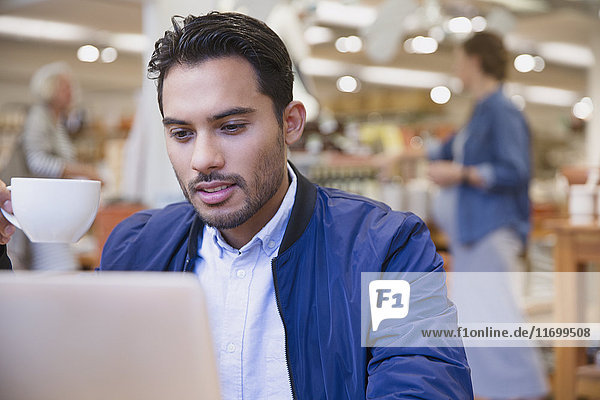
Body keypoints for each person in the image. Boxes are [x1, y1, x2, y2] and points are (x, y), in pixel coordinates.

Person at [99, 12, 473, 399]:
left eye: (231, 127)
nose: (202, 159)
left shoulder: (387, 249)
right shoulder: (135, 248)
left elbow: (425, 384)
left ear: (290, 124)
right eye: (181, 133)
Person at [427, 32, 549, 399]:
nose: (455, 68)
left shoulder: (502, 110)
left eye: (459, 59)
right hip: (472, 237)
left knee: (499, 320)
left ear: (475, 61)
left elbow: (515, 170)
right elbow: (443, 149)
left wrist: (461, 174)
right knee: (479, 322)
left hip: (491, 233)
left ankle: (530, 391)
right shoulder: (479, 111)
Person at [15, 62, 100, 270]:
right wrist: (83, 171)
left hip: (52, 208)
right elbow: (37, 161)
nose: (71, 92)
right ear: (49, 87)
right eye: (64, 86)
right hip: (42, 209)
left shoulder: (56, 121)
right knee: (58, 269)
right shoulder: (39, 117)